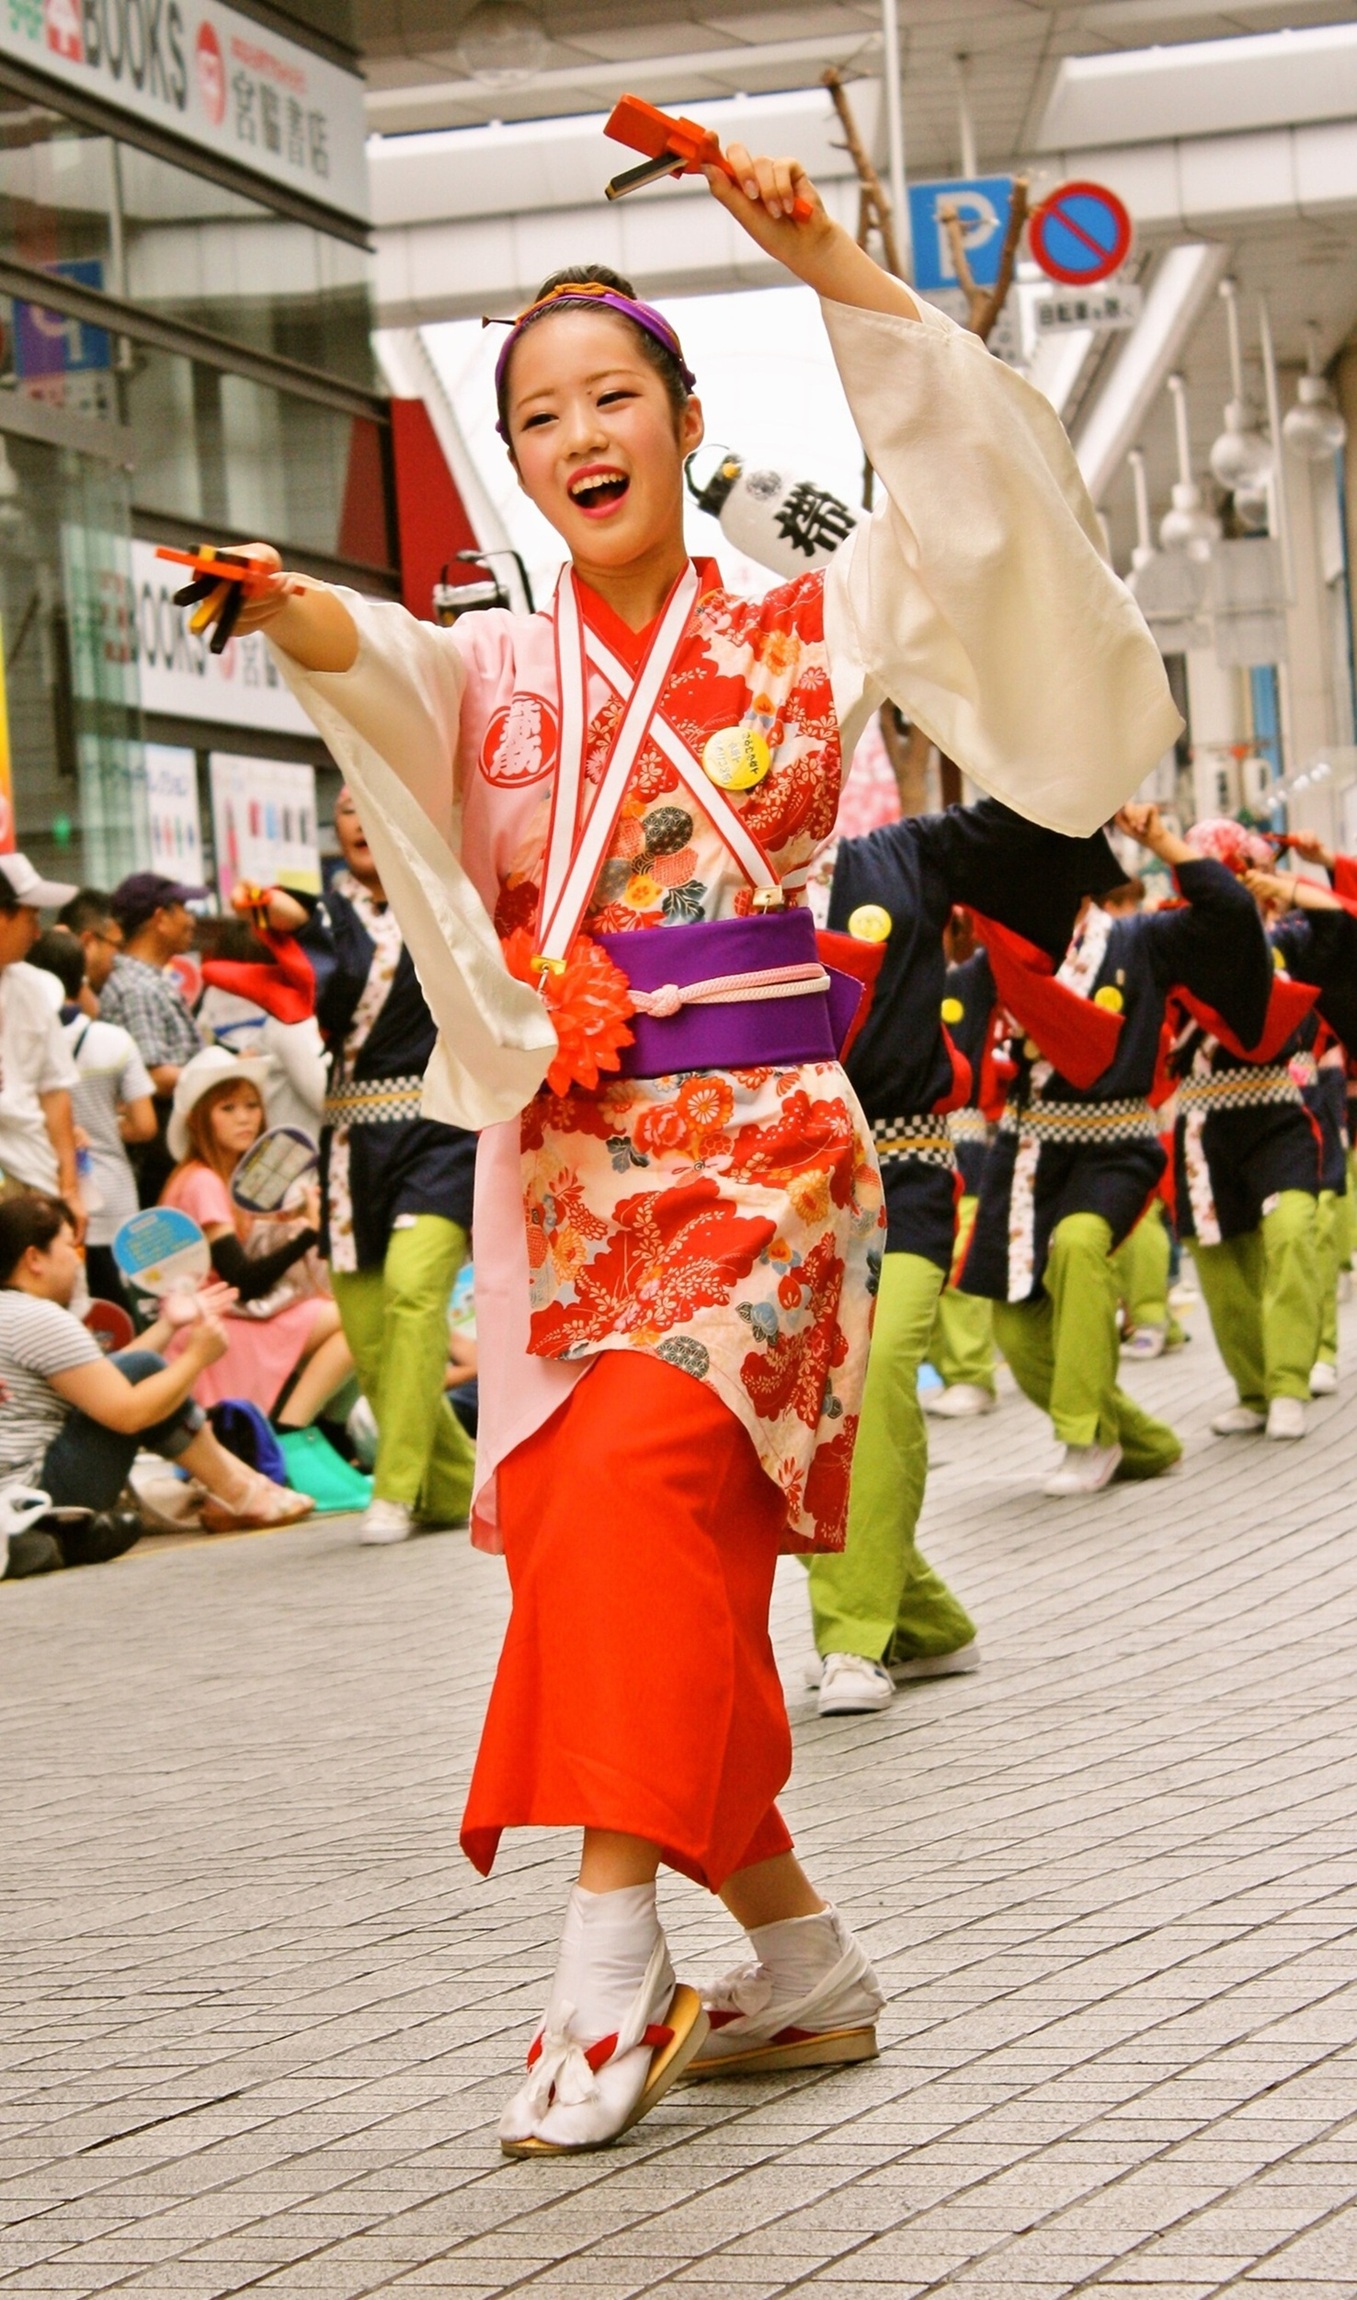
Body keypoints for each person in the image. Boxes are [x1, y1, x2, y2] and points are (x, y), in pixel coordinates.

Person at [177, 130, 1177, 2157]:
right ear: (516, 465)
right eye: (536, 416)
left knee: (631, 1484)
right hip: (570, 1172)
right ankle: (802, 1963)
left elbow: (987, 513)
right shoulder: (505, 667)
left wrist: (832, 268)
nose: (578, 436)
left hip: (770, 1166)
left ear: (688, 421)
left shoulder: (811, 619)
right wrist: (293, 611)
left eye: (612, 396)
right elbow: (397, 668)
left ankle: (605, 1951)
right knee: (630, 1562)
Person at [808, 800, 1126, 1716]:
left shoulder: (904, 852)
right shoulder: (700, 865)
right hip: (763, 1185)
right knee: (789, 1410)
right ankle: (925, 1621)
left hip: (900, 1169)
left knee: (870, 1376)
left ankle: (853, 1638)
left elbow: (1041, 803)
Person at [960, 804, 1272, 1493]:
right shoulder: (1005, 954)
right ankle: (1143, 1442)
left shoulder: (1141, 940)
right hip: (1026, 1153)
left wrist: (1158, 838)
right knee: (1013, 1324)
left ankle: (1087, 1439)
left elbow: (1228, 915)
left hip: (1115, 1146)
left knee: (1078, 1245)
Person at [237, 786, 479, 1547]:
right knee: (370, 1335)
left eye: (369, 799)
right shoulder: (323, 913)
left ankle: (394, 1488)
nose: (358, 818)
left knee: (413, 1293)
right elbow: (298, 944)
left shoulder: (449, 897)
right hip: (350, 1144)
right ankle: (456, 1486)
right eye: (344, 807)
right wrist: (276, 916)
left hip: (442, 1131)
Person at [0, 1188, 311, 1530]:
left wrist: (169, 1324)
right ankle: (239, 1492)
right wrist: (196, 1357)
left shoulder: (11, 1313)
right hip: (37, 1499)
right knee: (145, 1374)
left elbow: (103, 1378)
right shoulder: (37, 1318)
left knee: (141, 1371)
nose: (78, 1262)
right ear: (34, 1258)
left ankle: (242, 1488)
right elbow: (127, 1413)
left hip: (18, 1496)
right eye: (71, 1247)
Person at [159, 1047, 353, 1431]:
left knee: (355, 1323)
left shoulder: (215, 1178)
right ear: (198, 1119)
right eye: (227, 1108)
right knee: (354, 1324)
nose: (244, 1117)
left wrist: (295, 1219)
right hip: (211, 1322)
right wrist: (308, 1233)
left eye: (251, 1105)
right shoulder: (202, 1181)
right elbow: (242, 1280)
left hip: (220, 1316)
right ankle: (292, 1430)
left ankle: (313, 1431)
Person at [27, 930, 157, 1308]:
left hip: (46, 1194)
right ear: (80, 976)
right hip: (113, 1198)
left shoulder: (24, 1039)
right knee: (121, 1314)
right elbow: (145, 1125)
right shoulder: (114, 1040)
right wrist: (108, 1126)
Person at [926, 929, 1000, 1417]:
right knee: (919, 1269)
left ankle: (972, 1372)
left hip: (963, 1139)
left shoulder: (970, 979)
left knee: (958, 1261)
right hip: (896, 1142)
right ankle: (952, 1369)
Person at [99, 871, 208, 1204]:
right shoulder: (137, 988)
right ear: (160, 918)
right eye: (183, 909)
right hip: (157, 1157)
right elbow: (154, 1076)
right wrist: (219, 1072)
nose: (191, 920)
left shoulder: (145, 981)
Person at [0, 854, 84, 1237]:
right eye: (31, 918)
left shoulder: (33, 987)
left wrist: (69, 1189)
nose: (37, 933)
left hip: (34, 1176)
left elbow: (54, 1091)